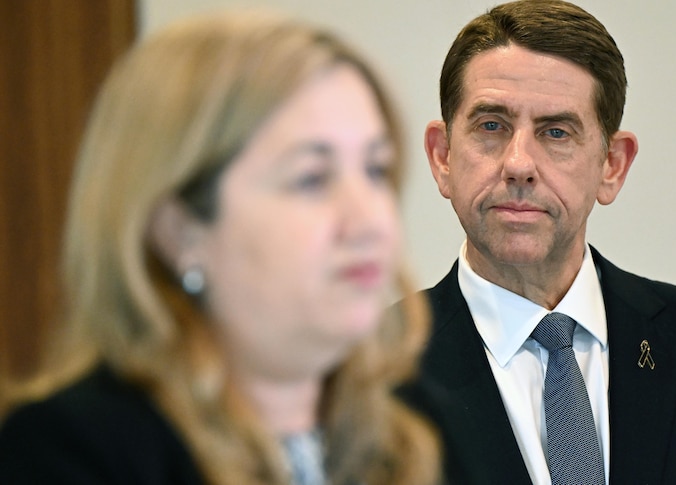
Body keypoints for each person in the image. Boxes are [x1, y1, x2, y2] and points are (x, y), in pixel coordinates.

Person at [0, 10, 440, 485]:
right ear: (179, 230)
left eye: (376, 170)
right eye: (312, 178)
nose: (370, 221)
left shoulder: (400, 445)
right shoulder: (70, 452)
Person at [398, 1, 676, 484]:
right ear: (442, 157)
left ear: (612, 165)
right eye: (491, 126)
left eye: (555, 132)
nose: (519, 163)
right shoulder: (357, 379)